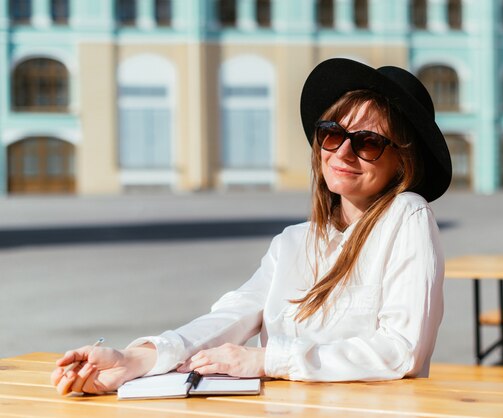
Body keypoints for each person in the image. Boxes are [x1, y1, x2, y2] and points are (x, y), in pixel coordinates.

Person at [51, 57, 452, 395]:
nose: (343, 151)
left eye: (367, 142)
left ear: (403, 160)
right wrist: (133, 360)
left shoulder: (407, 215)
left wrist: (265, 360)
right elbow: (232, 316)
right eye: (332, 134)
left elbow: (402, 350)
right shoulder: (293, 243)